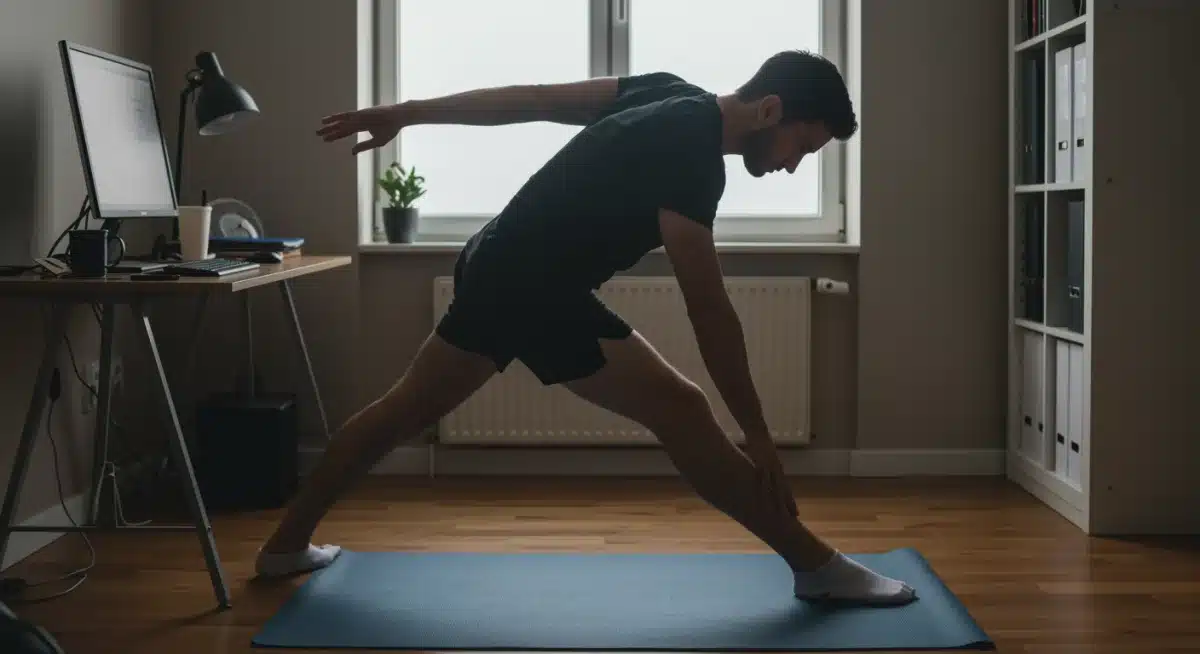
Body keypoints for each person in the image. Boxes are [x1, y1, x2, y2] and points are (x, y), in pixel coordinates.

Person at [254, 50, 916, 606]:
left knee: (401, 413)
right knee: (681, 408)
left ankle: (285, 547)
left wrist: (409, 112)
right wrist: (761, 439)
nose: (795, 164)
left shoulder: (668, 91)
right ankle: (815, 566)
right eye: (803, 145)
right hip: (526, 282)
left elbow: (535, 98)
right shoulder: (694, 156)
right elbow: (709, 308)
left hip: (501, 264)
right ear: (772, 111)